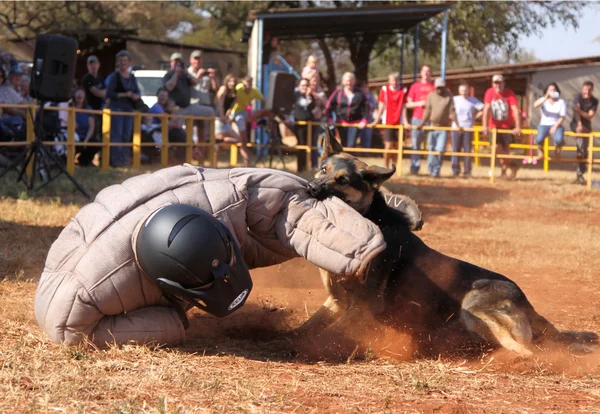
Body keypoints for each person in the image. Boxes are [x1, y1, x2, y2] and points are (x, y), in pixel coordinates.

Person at [34, 165, 386, 347]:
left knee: (272, 209)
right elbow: (68, 331)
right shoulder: (73, 317)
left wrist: (359, 252)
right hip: (221, 193)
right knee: (270, 210)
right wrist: (172, 323)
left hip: (210, 202)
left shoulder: (67, 289)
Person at [163, 52, 215, 163]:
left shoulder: (185, 75)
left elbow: (195, 82)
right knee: (181, 134)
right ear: (171, 63)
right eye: (175, 62)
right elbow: (169, 86)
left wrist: (187, 73)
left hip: (189, 107)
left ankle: (211, 140)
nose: (178, 64)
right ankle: (178, 158)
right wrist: (176, 74)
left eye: (180, 62)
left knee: (210, 111)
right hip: (177, 110)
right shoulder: (169, 74)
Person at [106, 50, 142, 167]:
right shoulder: (114, 76)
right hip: (117, 109)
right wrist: (125, 94)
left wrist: (136, 95)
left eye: (125, 60)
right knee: (117, 135)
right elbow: (109, 93)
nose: (123, 63)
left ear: (129, 62)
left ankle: (124, 161)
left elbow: (137, 91)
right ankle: (116, 162)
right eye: (121, 60)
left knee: (126, 136)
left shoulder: (131, 77)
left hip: (129, 110)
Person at [482, 74, 522, 179]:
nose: (498, 85)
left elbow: (515, 110)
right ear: (492, 84)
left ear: (504, 83)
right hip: (494, 126)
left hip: (507, 126)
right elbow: (486, 109)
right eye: (496, 83)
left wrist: (517, 126)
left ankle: (503, 173)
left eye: (500, 82)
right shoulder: (489, 92)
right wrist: (484, 125)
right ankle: (513, 164)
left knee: (506, 149)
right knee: (495, 147)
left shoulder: (509, 94)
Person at [416, 77, 458, 177]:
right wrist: (422, 123)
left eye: (441, 87)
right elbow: (428, 110)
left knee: (440, 149)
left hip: (443, 127)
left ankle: (436, 170)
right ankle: (431, 170)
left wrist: (458, 124)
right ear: (435, 87)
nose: (440, 89)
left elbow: (453, 111)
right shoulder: (431, 95)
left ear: (444, 87)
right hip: (432, 126)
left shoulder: (449, 96)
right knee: (431, 148)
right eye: (438, 87)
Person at [371, 72, 406, 168]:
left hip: (399, 122)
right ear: (389, 81)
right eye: (393, 80)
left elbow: (404, 106)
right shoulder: (385, 90)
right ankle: (386, 166)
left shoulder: (403, 90)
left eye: (397, 80)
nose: (395, 82)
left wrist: (406, 121)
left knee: (397, 147)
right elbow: (381, 106)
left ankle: (394, 167)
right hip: (388, 121)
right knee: (388, 146)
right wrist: (376, 120)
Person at [404, 65, 435, 175]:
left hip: (431, 119)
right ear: (421, 73)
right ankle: (414, 168)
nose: (426, 73)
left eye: (428, 71)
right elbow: (408, 104)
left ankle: (432, 170)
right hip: (417, 118)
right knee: (415, 145)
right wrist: (420, 104)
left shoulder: (434, 87)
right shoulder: (415, 86)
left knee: (432, 145)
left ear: (431, 74)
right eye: (424, 71)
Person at [325, 72, 368, 148]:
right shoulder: (338, 92)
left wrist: (364, 120)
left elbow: (366, 107)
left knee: (351, 145)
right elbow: (329, 105)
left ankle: (350, 159)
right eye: (347, 81)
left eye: (351, 80)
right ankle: (345, 159)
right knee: (343, 144)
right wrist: (330, 118)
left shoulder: (359, 93)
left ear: (354, 81)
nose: (349, 83)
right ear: (343, 81)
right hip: (341, 123)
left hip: (355, 123)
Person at [229, 76, 269, 157]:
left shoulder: (254, 91)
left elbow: (264, 102)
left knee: (268, 112)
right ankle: (245, 154)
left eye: (249, 85)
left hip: (246, 113)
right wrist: (228, 113)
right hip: (236, 113)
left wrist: (255, 116)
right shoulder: (239, 88)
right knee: (243, 138)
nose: (247, 87)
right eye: (245, 85)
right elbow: (231, 101)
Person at [451, 81, 484, 178]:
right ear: (459, 90)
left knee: (467, 150)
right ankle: (455, 170)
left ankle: (467, 171)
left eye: (465, 90)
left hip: (468, 128)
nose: (463, 92)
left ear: (468, 90)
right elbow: (450, 110)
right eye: (462, 90)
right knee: (455, 149)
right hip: (456, 128)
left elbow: (483, 108)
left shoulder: (473, 100)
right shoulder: (455, 99)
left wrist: (476, 117)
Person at [569, 81, 598, 185]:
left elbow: (590, 116)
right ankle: (579, 173)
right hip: (576, 124)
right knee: (581, 148)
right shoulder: (578, 97)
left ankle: (581, 170)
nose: (587, 91)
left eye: (589, 90)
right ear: (582, 89)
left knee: (584, 151)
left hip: (587, 126)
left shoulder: (594, 101)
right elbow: (576, 115)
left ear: (592, 90)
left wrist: (580, 111)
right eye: (585, 89)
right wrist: (579, 124)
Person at [532, 82, 566, 161]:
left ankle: (558, 149)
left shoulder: (561, 102)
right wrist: (545, 98)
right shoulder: (543, 100)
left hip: (557, 124)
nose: (552, 91)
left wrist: (555, 127)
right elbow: (535, 105)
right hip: (544, 124)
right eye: (550, 90)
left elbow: (562, 116)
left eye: (554, 90)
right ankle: (541, 151)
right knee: (539, 139)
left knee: (559, 140)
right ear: (546, 91)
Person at [293, 78, 317, 172]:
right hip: (300, 124)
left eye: (306, 85)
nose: (305, 87)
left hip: (310, 124)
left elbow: (312, 107)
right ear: (299, 86)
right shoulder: (296, 95)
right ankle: (300, 168)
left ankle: (307, 167)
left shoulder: (310, 96)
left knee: (309, 146)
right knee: (301, 145)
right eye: (303, 85)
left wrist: (308, 96)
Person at [71, 87, 98, 166]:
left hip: (86, 136)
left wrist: (86, 140)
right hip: (74, 136)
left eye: (81, 94)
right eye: (78, 94)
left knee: (96, 143)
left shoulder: (88, 109)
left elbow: (91, 127)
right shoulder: (70, 109)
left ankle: (84, 160)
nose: (79, 96)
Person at [81, 55, 106, 139]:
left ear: (99, 65)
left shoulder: (100, 78)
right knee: (94, 133)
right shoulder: (87, 79)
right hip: (91, 110)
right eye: (91, 64)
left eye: (95, 63)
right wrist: (107, 92)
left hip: (102, 109)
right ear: (88, 66)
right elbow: (97, 92)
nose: (93, 66)